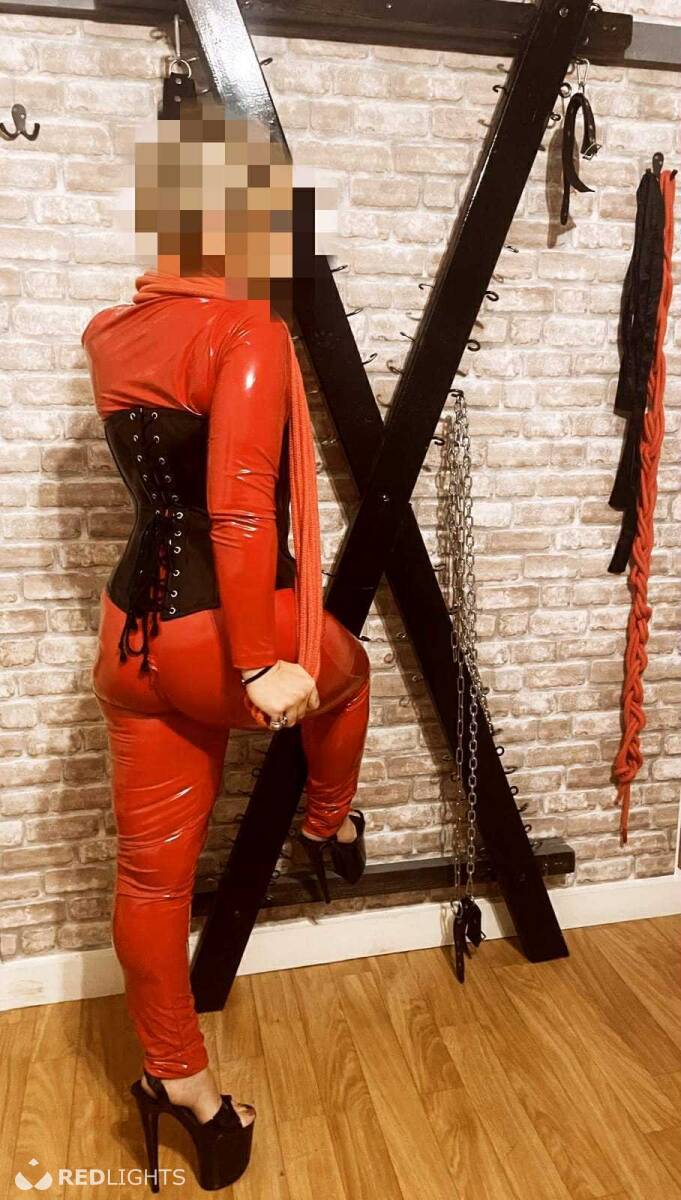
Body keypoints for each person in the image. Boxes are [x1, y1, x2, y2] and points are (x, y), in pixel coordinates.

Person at [82, 101, 371, 1191]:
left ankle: (182, 1086)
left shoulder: (111, 334)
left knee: (151, 880)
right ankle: (329, 824)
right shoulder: (245, 331)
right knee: (351, 675)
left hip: (128, 638)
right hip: (214, 639)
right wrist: (261, 661)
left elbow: (179, 496)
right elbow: (240, 507)